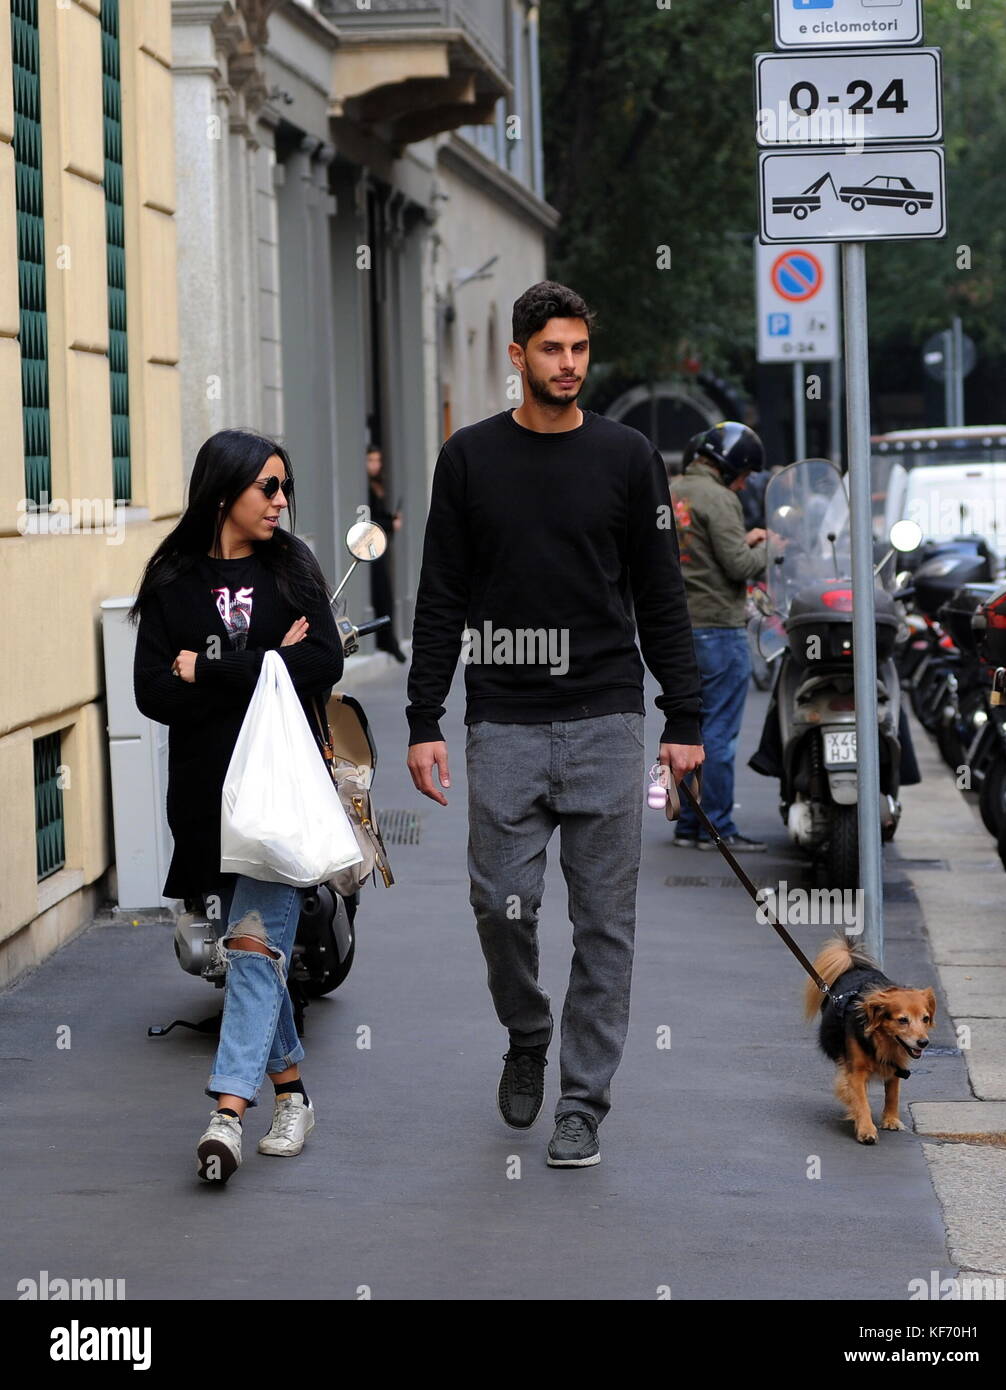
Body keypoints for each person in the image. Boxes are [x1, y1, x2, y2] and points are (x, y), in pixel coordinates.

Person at [405, 281, 704, 1168]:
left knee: (604, 924)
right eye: (550, 350)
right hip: (501, 719)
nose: (567, 365)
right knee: (500, 906)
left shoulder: (627, 458)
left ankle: (583, 1099)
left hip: (608, 717)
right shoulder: (468, 459)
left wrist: (683, 715)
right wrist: (424, 717)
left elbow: (661, 593)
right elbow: (440, 597)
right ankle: (527, 1030)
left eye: (578, 350)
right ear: (517, 356)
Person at [130, 429, 344, 1183]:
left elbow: (324, 661)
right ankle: (293, 1094)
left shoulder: (292, 568)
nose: (281, 502)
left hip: (279, 795)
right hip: (205, 797)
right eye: (268, 488)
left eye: (285, 487)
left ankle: (227, 1111)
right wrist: (264, 667)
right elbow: (150, 689)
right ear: (224, 492)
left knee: (253, 948)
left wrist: (217, 666)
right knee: (255, 950)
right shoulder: (172, 579)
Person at [669, 422, 769, 852]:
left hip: (681, 629)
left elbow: (701, 552)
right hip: (720, 630)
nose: (744, 484)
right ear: (731, 466)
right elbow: (738, 567)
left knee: (691, 729)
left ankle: (690, 826)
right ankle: (720, 828)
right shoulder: (722, 498)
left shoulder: (672, 490)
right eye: (744, 475)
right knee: (720, 737)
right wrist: (771, 546)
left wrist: (744, 541)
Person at [366, 444, 407, 663]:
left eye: (377, 461)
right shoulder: (365, 488)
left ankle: (387, 639)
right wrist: (391, 522)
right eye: (371, 460)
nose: (375, 465)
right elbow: (370, 520)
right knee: (381, 592)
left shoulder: (375, 486)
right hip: (367, 547)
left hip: (375, 546)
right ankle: (386, 641)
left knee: (385, 592)